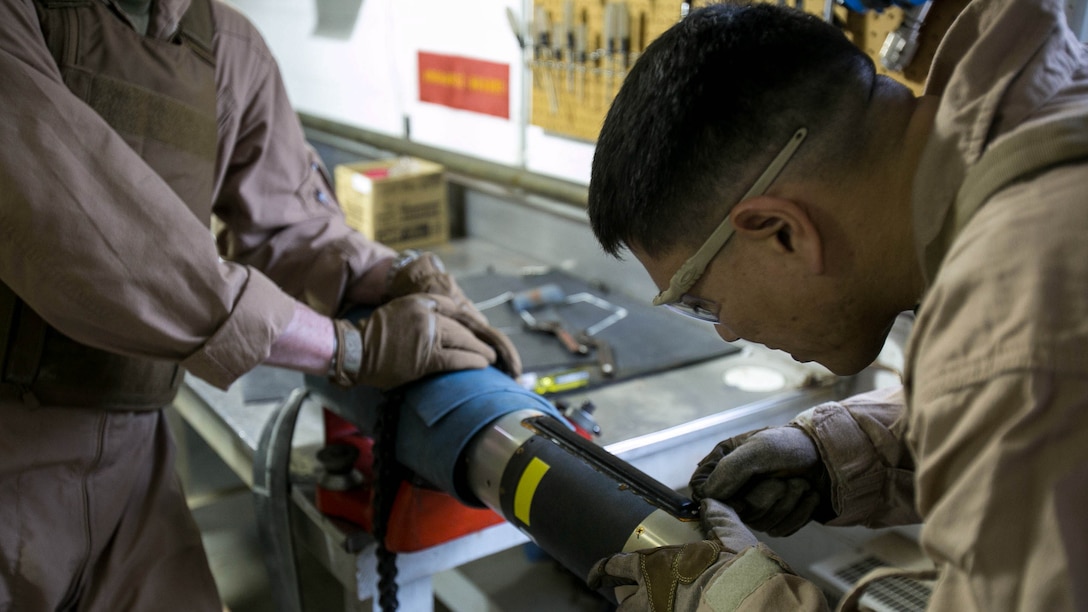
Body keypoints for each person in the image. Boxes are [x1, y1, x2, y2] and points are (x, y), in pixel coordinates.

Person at [0, 0, 520, 609]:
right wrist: (348, 348)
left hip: (134, 460)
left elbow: (291, 225)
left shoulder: (224, 44)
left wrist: (393, 272)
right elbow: (89, 238)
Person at [585, 0, 1088, 610]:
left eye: (701, 301)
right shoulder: (1042, 133)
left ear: (782, 231)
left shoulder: (1017, 309)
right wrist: (853, 453)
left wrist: (736, 600)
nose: (727, 332)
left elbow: (1017, 369)